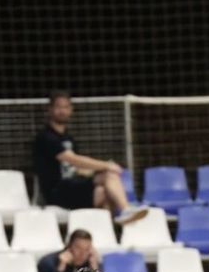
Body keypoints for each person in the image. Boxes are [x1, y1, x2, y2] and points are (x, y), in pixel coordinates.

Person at [33, 90, 147, 225]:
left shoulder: (69, 138)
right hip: (57, 192)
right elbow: (72, 159)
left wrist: (96, 172)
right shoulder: (45, 137)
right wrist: (106, 165)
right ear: (50, 109)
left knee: (105, 189)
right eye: (58, 107)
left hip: (73, 186)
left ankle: (108, 231)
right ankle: (125, 210)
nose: (62, 111)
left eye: (66, 107)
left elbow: (77, 168)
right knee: (108, 174)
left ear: (71, 110)